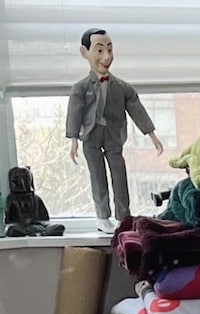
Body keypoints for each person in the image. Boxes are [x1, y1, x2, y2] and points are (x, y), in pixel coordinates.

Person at [65, 29, 165, 225]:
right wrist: (73, 140)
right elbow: (75, 113)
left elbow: (137, 110)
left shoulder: (122, 87)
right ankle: (102, 217)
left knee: (119, 176)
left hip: (113, 135)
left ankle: (123, 216)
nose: (106, 57)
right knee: (98, 177)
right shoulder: (80, 87)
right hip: (91, 135)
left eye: (110, 50)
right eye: (100, 50)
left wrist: (151, 135)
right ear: (85, 52)